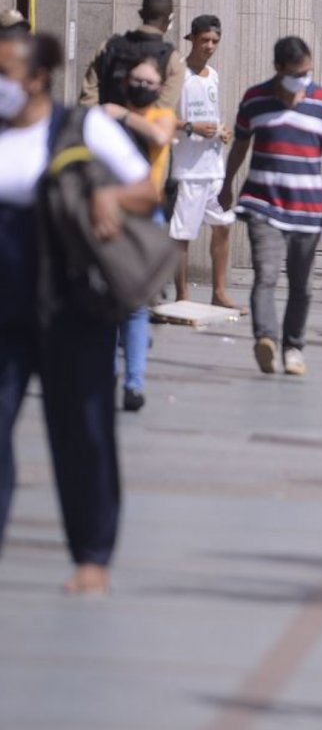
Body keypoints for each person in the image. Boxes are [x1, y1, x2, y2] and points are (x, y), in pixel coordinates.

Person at [0, 32, 157, 595]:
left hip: (72, 306)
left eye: (6, 74)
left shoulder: (80, 128)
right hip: (5, 308)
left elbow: (147, 192)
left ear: (38, 77)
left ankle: (92, 555)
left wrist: (109, 197)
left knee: (82, 430)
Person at [219, 36, 322, 377]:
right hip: (262, 203)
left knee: (303, 285)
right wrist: (226, 183)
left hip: (307, 208)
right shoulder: (255, 99)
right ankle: (266, 339)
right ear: (279, 69)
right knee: (266, 276)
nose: (304, 79)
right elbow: (241, 144)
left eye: (308, 72)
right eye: (298, 73)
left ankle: (293, 347)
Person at [103, 57, 176, 412]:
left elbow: (160, 137)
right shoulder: (103, 117)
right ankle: (104, 377)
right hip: (108, 215)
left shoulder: (160, 116)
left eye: (149, 83)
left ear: (160, 89)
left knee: (134, 307)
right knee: (105, 303)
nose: (142, 87)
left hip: (147, 218)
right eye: (137, 80)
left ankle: (134, 383)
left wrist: (120, 115)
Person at [169, 14, 239, 309]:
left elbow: (213, 112)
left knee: (223, 225)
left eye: (215, 41)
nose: (209, 46)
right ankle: (182, 293)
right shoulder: (177, 75)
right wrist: (191, 127)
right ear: (193, 39)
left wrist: (222, 131)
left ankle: (219, 291)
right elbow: (162, 116)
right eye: (205, 40)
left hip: (214, 164)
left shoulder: (214, 75)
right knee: (182, 233)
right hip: (187, 167)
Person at [79, 0, 186, 110]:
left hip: (105, 125)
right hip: (147, 128)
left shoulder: (107, 47)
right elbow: (162, 110)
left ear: (140, 13)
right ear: (170, 19)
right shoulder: (173, 60)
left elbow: (87, 101)